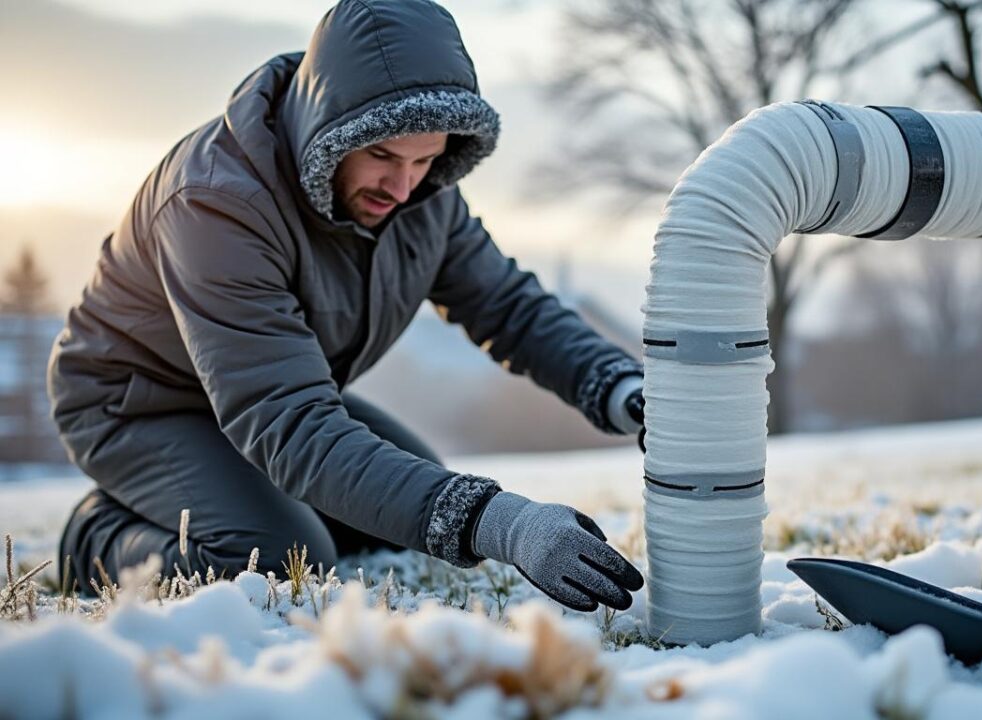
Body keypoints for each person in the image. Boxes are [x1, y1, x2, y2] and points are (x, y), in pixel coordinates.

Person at [47, 0, 647, 613]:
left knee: (399, 499)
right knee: (276, 557)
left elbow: (508, 306)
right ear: (325, 131)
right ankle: (94, 535)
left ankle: (228, 495)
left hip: (268, 387)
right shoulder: (215, 203)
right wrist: (507, 523)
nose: (404, 185)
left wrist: (620, 387)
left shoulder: (422, 195)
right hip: (140, 403)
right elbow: (289, 422)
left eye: (426, 157)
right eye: (383, 156)